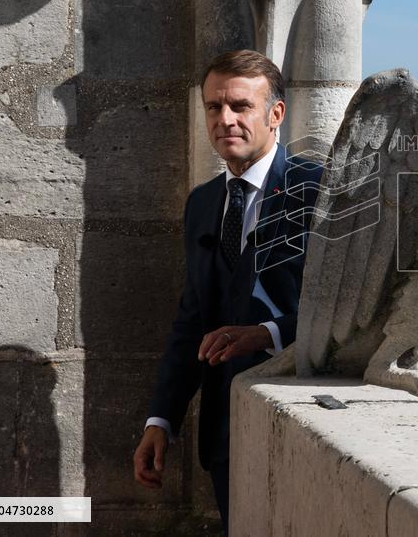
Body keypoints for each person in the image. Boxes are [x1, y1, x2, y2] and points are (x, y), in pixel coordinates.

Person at [132, 50, 321, 530]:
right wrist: (162, 421)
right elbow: (192, 318)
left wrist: (269, 333)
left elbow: (353, 311)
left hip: (306, 422)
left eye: (240, 106)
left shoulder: (321, 193)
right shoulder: (202, 204)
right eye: (214, 107)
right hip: (225, 437)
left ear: (276, 114)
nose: (225, 119)